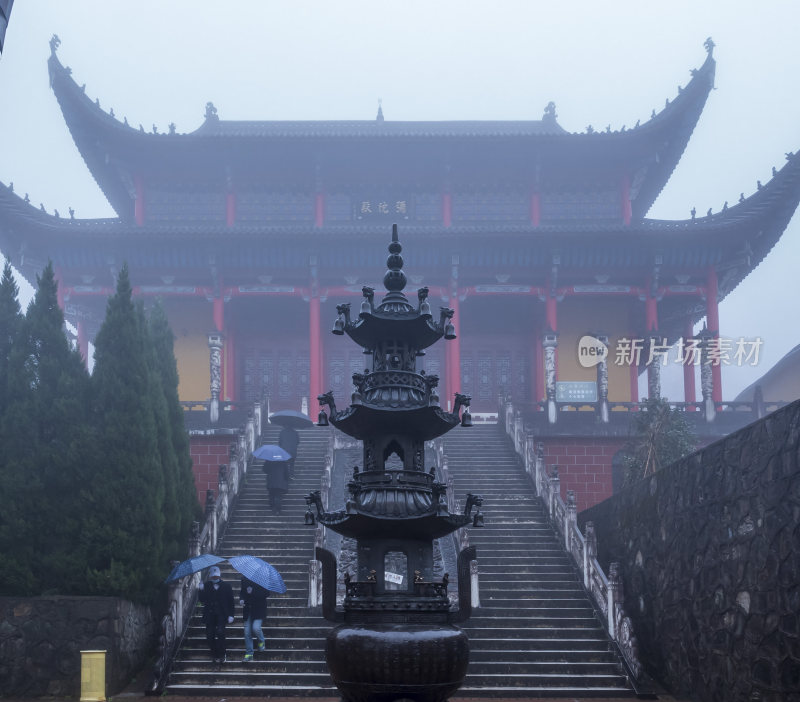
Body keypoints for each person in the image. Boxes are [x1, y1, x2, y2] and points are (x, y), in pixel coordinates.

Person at [198, 565, 234, 663]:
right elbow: (202, 600)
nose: (215, 578)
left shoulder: (227, 586)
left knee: (220, 632)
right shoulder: (206, 585)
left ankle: (222, 654)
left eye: (216, 576)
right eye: (213, 576)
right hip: (210, 614)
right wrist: (201, 590)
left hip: (222, 614)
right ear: (210, 576)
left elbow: (231, 602)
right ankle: (214, 654)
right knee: (209, 635)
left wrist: (231, 615)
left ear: (219, 576)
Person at [239, 576, 269, 662]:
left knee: (256, 628)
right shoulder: (244, 578)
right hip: (248, 609)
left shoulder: (262, 579)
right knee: (247, 632)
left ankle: (261, 641)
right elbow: (242, 592)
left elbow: (266, 593)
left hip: (259, 609)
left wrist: (253, 591)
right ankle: (249, 654)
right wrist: (241, 599)